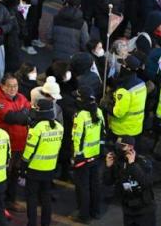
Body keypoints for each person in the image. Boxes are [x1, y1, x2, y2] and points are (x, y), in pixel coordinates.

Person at [0, 74, 30, 212]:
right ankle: (1, 203)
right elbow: (11, 117)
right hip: (6, 146)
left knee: (14, 174)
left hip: (20, 144)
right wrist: (23, 114)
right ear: (3, 87)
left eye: (15, 85)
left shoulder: (21, 97)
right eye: (10, 86)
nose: (13, 89)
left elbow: (29, 112)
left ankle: (10, 201)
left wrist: (23, 115)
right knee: (5, 175)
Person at [21, 99, 64, 226]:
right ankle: (46, 223)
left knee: (32, 198)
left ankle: (32, 223)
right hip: (50, 168)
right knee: (46, 197)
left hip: (34, 169)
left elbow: (29, 151)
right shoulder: (59, 127)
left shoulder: (36, 128)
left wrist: (23, 166)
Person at [70, 87, 105, 223]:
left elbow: (77, 138)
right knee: (95, 184)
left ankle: (83, 215)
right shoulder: (99, 112)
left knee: (82, 187)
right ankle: (95, 211)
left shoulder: (80, 116)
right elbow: (103, 133)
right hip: (95, 155)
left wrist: (77, 156)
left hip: (83, 158)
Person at [104, 136, 155, 225]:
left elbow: (147, 183)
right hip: (128, 209)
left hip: (144, 209)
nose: (118, 149)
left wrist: (132, 165)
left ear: (131, 147)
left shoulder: (142, 161)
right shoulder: (118, 162)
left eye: (122, 146)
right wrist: (108, 167)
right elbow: (108, 182)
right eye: (117, 146)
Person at [103, 56, 147, 141]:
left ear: (126, 68)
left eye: (122, 64)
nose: (120, 66)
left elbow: (118, 113)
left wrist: (105, 105)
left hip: (122, 131)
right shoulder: (141, 84)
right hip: (136, 127)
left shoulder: (124, 90)